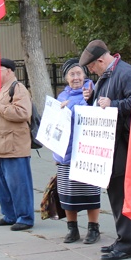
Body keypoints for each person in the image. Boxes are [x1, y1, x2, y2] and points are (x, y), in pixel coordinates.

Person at [79, 40, 131, 260]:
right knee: (114, 193)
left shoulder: (126, 73)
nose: (91, 71)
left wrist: (112, 104)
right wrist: (92, 98)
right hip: (110, 143)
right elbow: (103, 101)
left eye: (92, 67)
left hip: (122, 142)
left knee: (121, 194)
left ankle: (127, 244)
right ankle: (122, 239)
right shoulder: (108, 74)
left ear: (101, 60)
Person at [53, 58, 100, 244]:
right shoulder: (61, 97)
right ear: (66, 78)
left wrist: (90, 100)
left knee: (90, 191)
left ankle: (93, 228)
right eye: (71, 74)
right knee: (67, 193)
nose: (76, 77)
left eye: (79, 73)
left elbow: (96, 113)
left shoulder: (92, 91)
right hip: (65, 154)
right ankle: (72, 229)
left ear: (84, 75)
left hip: (86, 152)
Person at [0, 59, 34, 231]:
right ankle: (10, 214)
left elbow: (23, 112)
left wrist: (1, 108)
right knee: (2, 185)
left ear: (9, 71)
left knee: (18, 184)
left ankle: (25, 217)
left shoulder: (17, 88)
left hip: (13, 146)